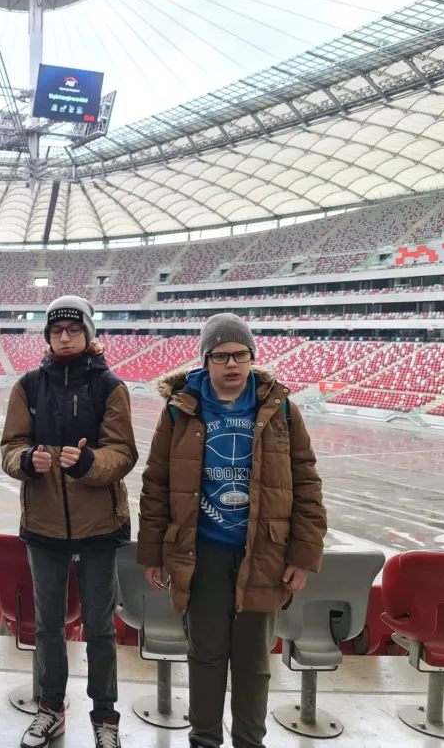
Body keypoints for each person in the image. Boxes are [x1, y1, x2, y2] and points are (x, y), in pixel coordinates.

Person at [139, 313, 327, 748]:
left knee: (253, 663)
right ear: (205, 360)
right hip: (202, 554)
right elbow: (156, 484)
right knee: (205, 657)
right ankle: (204, 739)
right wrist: (152, 553)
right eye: (220, 355)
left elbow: (307, 484)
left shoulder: (281, 410)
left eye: (240, 355)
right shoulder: (180, 409)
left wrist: (303, 556)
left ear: (252, 357)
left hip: (264, 555)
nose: (231, 364)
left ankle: (249, 742)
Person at [0, 295, 138, 748]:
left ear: (88, 334)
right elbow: (9, 447)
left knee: (100, 627)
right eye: (56, 331)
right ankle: (50, 707)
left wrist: (89, 463)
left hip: (99, 526)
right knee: (47, 626)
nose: (64, 337)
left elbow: (123, 453)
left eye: (73, 330)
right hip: (44, 526)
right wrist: (26, 459)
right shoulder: (27, 386)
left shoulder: (109, 386)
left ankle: (105, 716)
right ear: (47, 336)